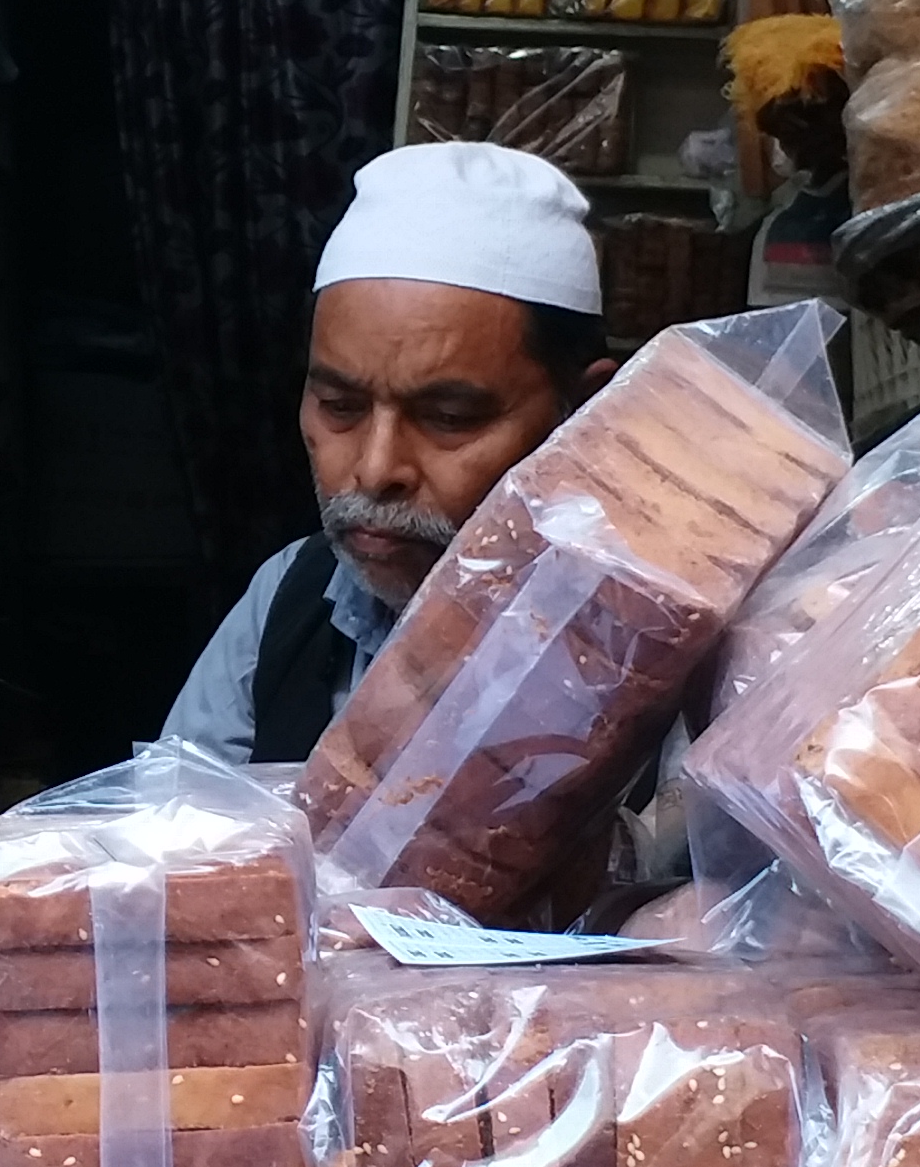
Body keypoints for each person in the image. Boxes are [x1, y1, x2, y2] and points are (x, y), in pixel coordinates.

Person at [160, 142, 613, 763]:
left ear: (584, 412)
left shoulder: (663, 637)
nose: (375, 471)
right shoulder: (293, 595)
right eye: (340, 406)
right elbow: (182, 833)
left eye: (449, 418)